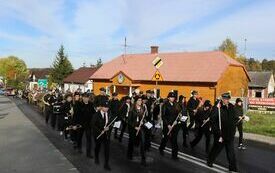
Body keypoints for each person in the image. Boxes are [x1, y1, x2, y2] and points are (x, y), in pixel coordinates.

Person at [207, 93, 238, 172]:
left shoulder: (231, 107)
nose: (226, 100)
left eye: (227, 99)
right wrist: (217, 132)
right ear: (222, 99)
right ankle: (210, 160)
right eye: (224, 99)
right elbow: (213, 121)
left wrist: (239, 120)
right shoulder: (217, 108)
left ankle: (233, 167)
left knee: (231, 152)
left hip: (230, 133)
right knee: (216, 149)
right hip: (220, 134)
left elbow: (235, 118)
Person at [92, 101, 115, 171]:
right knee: (98, 147)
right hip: (98, 134)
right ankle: (96, 157)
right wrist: (100, 130)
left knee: (107, 149)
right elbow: (92, 125)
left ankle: (106, 164)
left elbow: (111, 123)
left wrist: (109, 128)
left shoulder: (109, 114)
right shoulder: (96, 114)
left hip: (106, 135)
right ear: (101, 107)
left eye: (107, 107)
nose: (106, 109)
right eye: (105, 107)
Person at [159, 92, 181, 160]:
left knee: (174, 140)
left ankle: (174, 155)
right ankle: (161, 148)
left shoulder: (176, 104)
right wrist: (168, 124)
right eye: (171, 97)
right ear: (168, 98)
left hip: (174, 125)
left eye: (173, 97)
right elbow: (163, 116)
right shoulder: (165, 105)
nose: (172, 98)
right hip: (167, 125)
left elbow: (178, 114)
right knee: (166, 138)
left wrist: (177, 120)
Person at [74, 92, 95, 158]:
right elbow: (75, 115)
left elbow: (93, 114)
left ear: (89, 98)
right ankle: (79, 148)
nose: (86, 99)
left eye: (87, 97)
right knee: (79, 137)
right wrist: (75, 124)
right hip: (80, 124)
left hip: (88, 124)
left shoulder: (91, 104)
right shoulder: (79, 104)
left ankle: (88, 153)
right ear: (82, 98)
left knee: (89, 139)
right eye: (84, 97)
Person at [127, 96, 147, 166]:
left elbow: (143, 118)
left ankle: (143, 159)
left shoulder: (142, 109)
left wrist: (143, 122)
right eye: (138, 100)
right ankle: (129, 154)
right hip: (133, 128)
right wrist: (134, 126)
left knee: (143, 142)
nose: (140, 101)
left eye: (141, 100)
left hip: (140, 128)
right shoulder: (131, 109)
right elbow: (128, 120)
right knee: (131, 142)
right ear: (136, 101)